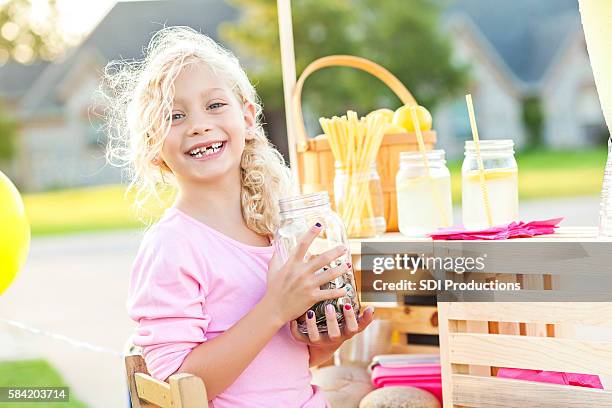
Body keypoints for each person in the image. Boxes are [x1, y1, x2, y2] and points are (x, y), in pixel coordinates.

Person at [102, 26, 374, 407]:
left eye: (214, 105)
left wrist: (324, 342)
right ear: (153, 145)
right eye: (175, 116)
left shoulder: (275, 230)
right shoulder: (173, 246)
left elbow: (281, 366)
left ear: (247, 119)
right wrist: (274, 308)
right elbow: (177, 387)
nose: (198, 124)